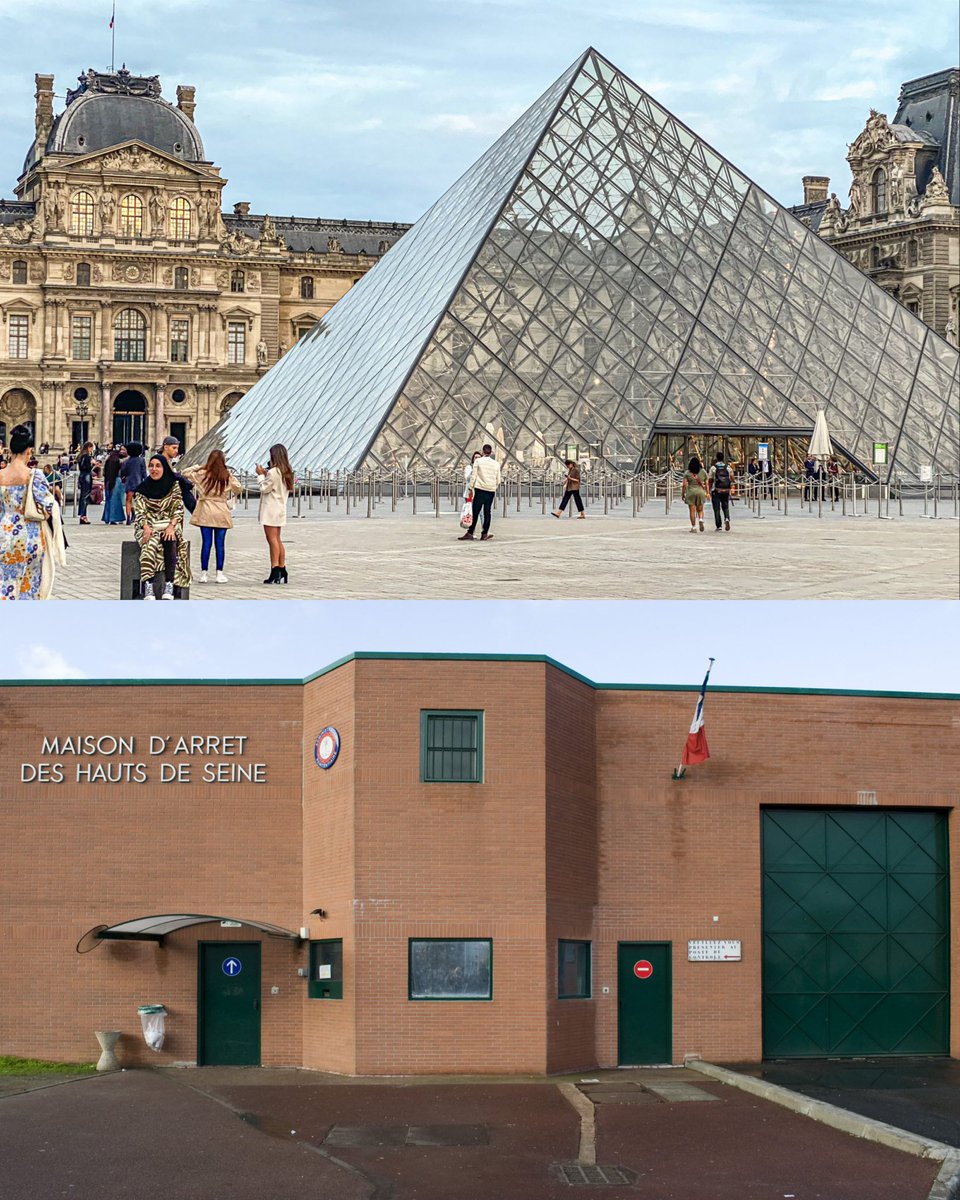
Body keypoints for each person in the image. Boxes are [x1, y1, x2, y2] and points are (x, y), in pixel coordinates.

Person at [0, 423, 60, 600]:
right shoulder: (34, 475)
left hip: (4, 534)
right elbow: (50, 506)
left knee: (5, 584)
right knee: (29, 585)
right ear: (29, 451)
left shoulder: (1, 475)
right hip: (30, 536)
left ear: (10, 451)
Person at [133, 454, 191, 600]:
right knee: (149, 544)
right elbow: (140, 512)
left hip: (169, 524)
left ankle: (169, 584)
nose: (154, 469)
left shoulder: (174, 485)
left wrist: (171, 526)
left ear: (164, 468)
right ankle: (148, 585)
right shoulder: (142, 488)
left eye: (158, 466)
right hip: (148, 525)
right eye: (151, 466)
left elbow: (178, 508)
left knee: (170, 538)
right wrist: (145, 527)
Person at [180, 450, 242, 583]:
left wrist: (199, 466)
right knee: (220, 544)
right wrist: (230, 476)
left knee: (206, 543)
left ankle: (204, 574)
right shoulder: (226, 475)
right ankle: (219, 573)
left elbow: (185, 472)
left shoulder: (202, 474)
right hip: (221, 510)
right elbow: (238, 488)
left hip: (206, 510)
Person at [256, 443, 294, 583]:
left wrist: (261, 475)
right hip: (280, 508)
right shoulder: (286, 471)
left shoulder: (273, 472)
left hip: (271, 509)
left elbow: (264, 488)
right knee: (277, 539)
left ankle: (274, 570)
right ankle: (282, 568)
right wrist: (266, 474)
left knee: (272, 540)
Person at [458, 444, 501, 541]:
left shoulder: (478, 461)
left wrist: (471, 488)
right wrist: (493, 487)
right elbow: (498, 480)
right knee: (487, 512)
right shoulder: (496, 464)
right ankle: (484, 533)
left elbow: (474, 476)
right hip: (491, 490)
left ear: (482, 452)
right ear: (491, 452)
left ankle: (470, 532)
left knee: (475, 512)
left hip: (480, 489)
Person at [159, 435, 197, 516]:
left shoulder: (166, 460)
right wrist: (186, 482)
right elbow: (171, 475)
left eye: (177, 448)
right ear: (165, 447)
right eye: (174, 448)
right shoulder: (160, 460)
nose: (176, 451)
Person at [120, 442, 146, 525]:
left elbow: (123, 472)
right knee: (139, 502)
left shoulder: (126, 461)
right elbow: (144, 472)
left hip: (130, 483)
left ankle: (128, 517)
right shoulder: (141, 460)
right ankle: (140, 517)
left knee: (128, 500)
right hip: (139, 483)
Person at [681, 455, 708, 532]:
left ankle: (693, 527)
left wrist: (683, 494)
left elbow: (684, 485)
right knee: (700, 509)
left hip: (691, 492)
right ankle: (701, 519)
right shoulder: (703, 472)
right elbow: (706, 483)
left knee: (692, 511)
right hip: (700, 492)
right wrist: (707, 492)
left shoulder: (687, 473)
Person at [708, 452, 733, 532]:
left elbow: (710, 480)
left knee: (716, 508)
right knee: (725, 506)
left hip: (716, 490)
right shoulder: (728, 467)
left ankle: (719, 525)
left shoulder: (713, 468)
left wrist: (708, 490)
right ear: (723, 458)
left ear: (716, 458)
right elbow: (732, 478)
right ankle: (727, 518)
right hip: (726, 490)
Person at [102, 447, 126, 524]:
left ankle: (107, 517)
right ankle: (114, 518)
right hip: (116, 481)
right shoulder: (118, 462)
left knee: (108, 500)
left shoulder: (108, 461)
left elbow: (104, 473)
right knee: (116, 501)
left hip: (108, 481)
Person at [76, 441, 94, 524]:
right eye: (91, 448)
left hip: (82, 476)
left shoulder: (80, 456)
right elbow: (86, 467)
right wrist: (93, 464)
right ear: (89, 447)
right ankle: (83, 516)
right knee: (85, 497)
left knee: (83, 496)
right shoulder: (86, 456)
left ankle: (82, 515)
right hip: (86, 476)